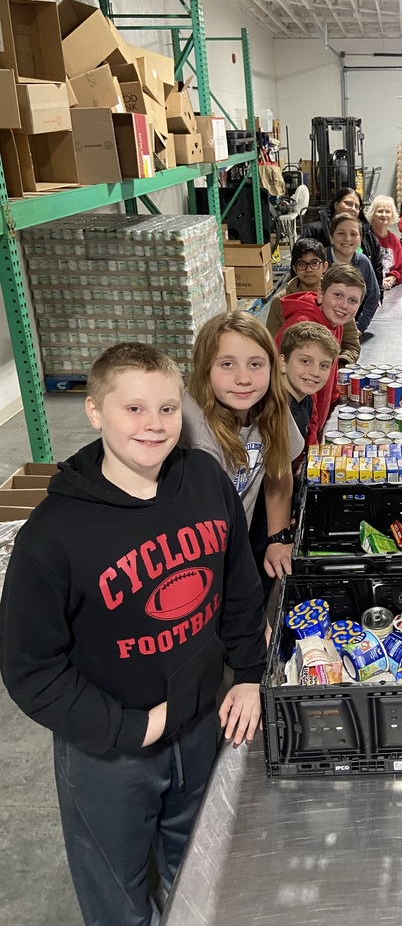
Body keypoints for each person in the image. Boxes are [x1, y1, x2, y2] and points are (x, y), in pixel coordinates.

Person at [0, 342, 267, 926]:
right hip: (110, 750)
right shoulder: (53, 535)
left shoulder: (203, 478)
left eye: (168, 409)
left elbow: (240, 585)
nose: (154, 426)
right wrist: (131, 727)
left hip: (200, 723)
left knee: (199, 862)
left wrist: (248, 676)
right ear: (95, 412)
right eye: (134, 409)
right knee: (117, 893)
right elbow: (30, 669)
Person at [181, 313, 302, 580]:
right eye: (227, 364)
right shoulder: (194, 435)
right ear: (204, 369)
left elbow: (278, 470)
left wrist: (278, 537)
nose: (244, 378)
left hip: (235, 549)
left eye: (256, 364)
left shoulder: (270, 405)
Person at [276, 262, 366, 445]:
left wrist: (334, 399)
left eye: (352, 300)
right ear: (320, 294)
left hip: (314, 420)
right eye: (338, 295)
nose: (343, 305)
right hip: (292, 426)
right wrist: (312, 439)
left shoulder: (334, 322)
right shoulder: (306, 327)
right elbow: (306, 391)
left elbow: (329, 367)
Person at [266, 238, 360, 366]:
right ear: (295, 268)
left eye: (315, 263)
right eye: (302, 264)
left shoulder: (338, 300)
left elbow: (351, 344)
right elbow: (270, 343)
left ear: (325, 266)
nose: (309, 269)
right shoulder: (281, 301)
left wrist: (337, 366)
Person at [302, 186, 383, 297]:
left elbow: (376, 268)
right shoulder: (315, 231)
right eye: (348, 204)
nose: (352, 208)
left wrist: (378, 297)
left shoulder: (367, 234)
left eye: (357, 206)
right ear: (336, 205)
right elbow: (300, 261)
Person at [278, 321, 340, 441]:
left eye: (324, 366)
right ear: (283, 362)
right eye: (305, 361)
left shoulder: (306, 399)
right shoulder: (274, 411)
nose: (315, 372)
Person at [325, 212, 379, 334]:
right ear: (331, 237)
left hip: (349, 328)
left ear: (360, 239)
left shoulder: (363, 262)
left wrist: (360, 327)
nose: (347, 239)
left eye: (353, 234)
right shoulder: (320, 260)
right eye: (341, 233)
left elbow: (373, 296)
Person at [365, 194, 402, 289]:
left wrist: (392, 278)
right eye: (380, 211)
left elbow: (399, 270)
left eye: (387, 212)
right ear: (373, 214)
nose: (384, 215)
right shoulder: (365, 238)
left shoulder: (394, 240)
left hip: (389, 290)